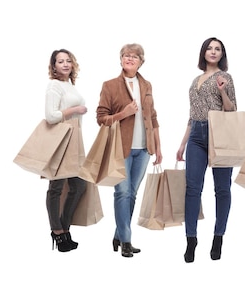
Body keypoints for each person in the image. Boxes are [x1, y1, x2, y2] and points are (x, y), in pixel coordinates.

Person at [96, 43, 162, 258]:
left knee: (132, 194)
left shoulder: (147, 85)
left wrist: (157, 147)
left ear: (141, 61)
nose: (129, 59)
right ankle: (126, 240)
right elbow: (101, 118)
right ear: (121, 59)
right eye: (126, 55)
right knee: (122, 192)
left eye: (134, 56)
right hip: (120, 149)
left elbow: (152, 118)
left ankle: (119, 234)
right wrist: (123, 113)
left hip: (143, 149)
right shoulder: (110, 85)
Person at [177, 37, 237, 263]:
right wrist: (183, 143)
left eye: (218, 49)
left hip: (219, 132)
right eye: (210, 48)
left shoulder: (225, 77)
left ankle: (218, 237)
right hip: (196, 135)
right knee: (192, 188)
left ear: (222, 54)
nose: (213, 52)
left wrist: (222, 91)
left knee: (222, 189)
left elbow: (231, 110)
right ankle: (191, 239)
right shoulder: (196, 79)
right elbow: (192, 114)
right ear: (203, 53)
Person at [45, 49, 88, 252]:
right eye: (60, 61)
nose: (65, 64)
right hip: (60, 141)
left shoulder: (70, 85)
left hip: (74, 141)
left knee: (79, 186)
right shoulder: (54, 85)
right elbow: (51, 116)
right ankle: (57, 232)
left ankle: (64, 228)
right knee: (56, 188)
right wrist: (75, 110)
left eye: (68, 60)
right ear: (54, 66)